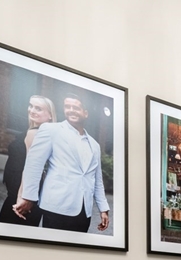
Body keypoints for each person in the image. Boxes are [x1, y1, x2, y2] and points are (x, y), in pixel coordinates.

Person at [15, 92, 110, 233]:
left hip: (84, 212)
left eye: (76, 107)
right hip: (55, 207)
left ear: (86, 113)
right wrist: (29, 197)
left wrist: (103, 209)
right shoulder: (50, 130)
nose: (71, 110)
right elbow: (34, 165)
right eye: (67, 106)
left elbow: (97, 180)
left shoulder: (95, 145)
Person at [0, 95, 56, 226]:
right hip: (22, 193)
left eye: (38, 108)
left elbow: (31, 168)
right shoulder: (37, 132)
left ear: (50, 115)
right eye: (31, 106)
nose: (32, 110)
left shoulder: (36, 133)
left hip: (21, 195)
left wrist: (21, 197)